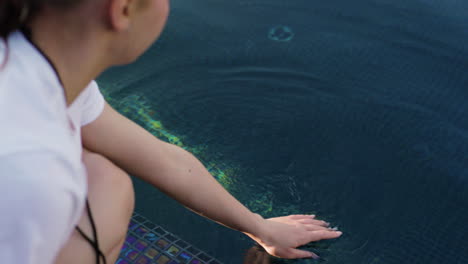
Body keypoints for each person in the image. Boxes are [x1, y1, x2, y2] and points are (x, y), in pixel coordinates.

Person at [0, 0, 343, 263]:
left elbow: (163, 159)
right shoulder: (31, 168)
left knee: (105, 177)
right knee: (109, 191)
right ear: (121, 9)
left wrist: (262, 229)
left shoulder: (33, 64)